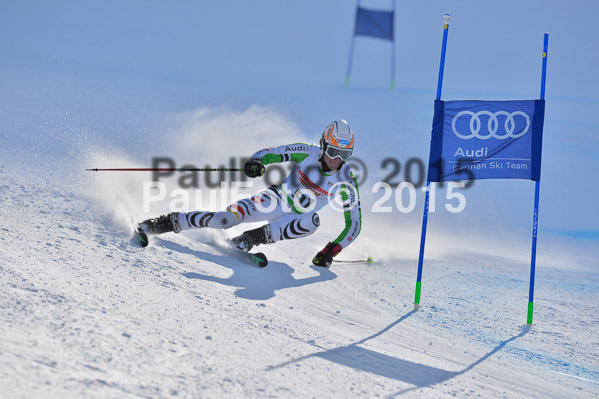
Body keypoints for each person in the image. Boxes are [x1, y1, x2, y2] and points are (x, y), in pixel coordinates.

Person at [139, 119, 362, 267]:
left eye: (344, 154)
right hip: (274, 200)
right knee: (222, 219)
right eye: (333, 151)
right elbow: (269, 153)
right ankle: (165, 223)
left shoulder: (346, 182)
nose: (336, 160)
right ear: (324, 145)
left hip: (295, 218)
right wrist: (256, 162)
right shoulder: (307, 152)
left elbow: (354, 224)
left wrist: (331, 251)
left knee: (312, 221)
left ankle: (252, 238)